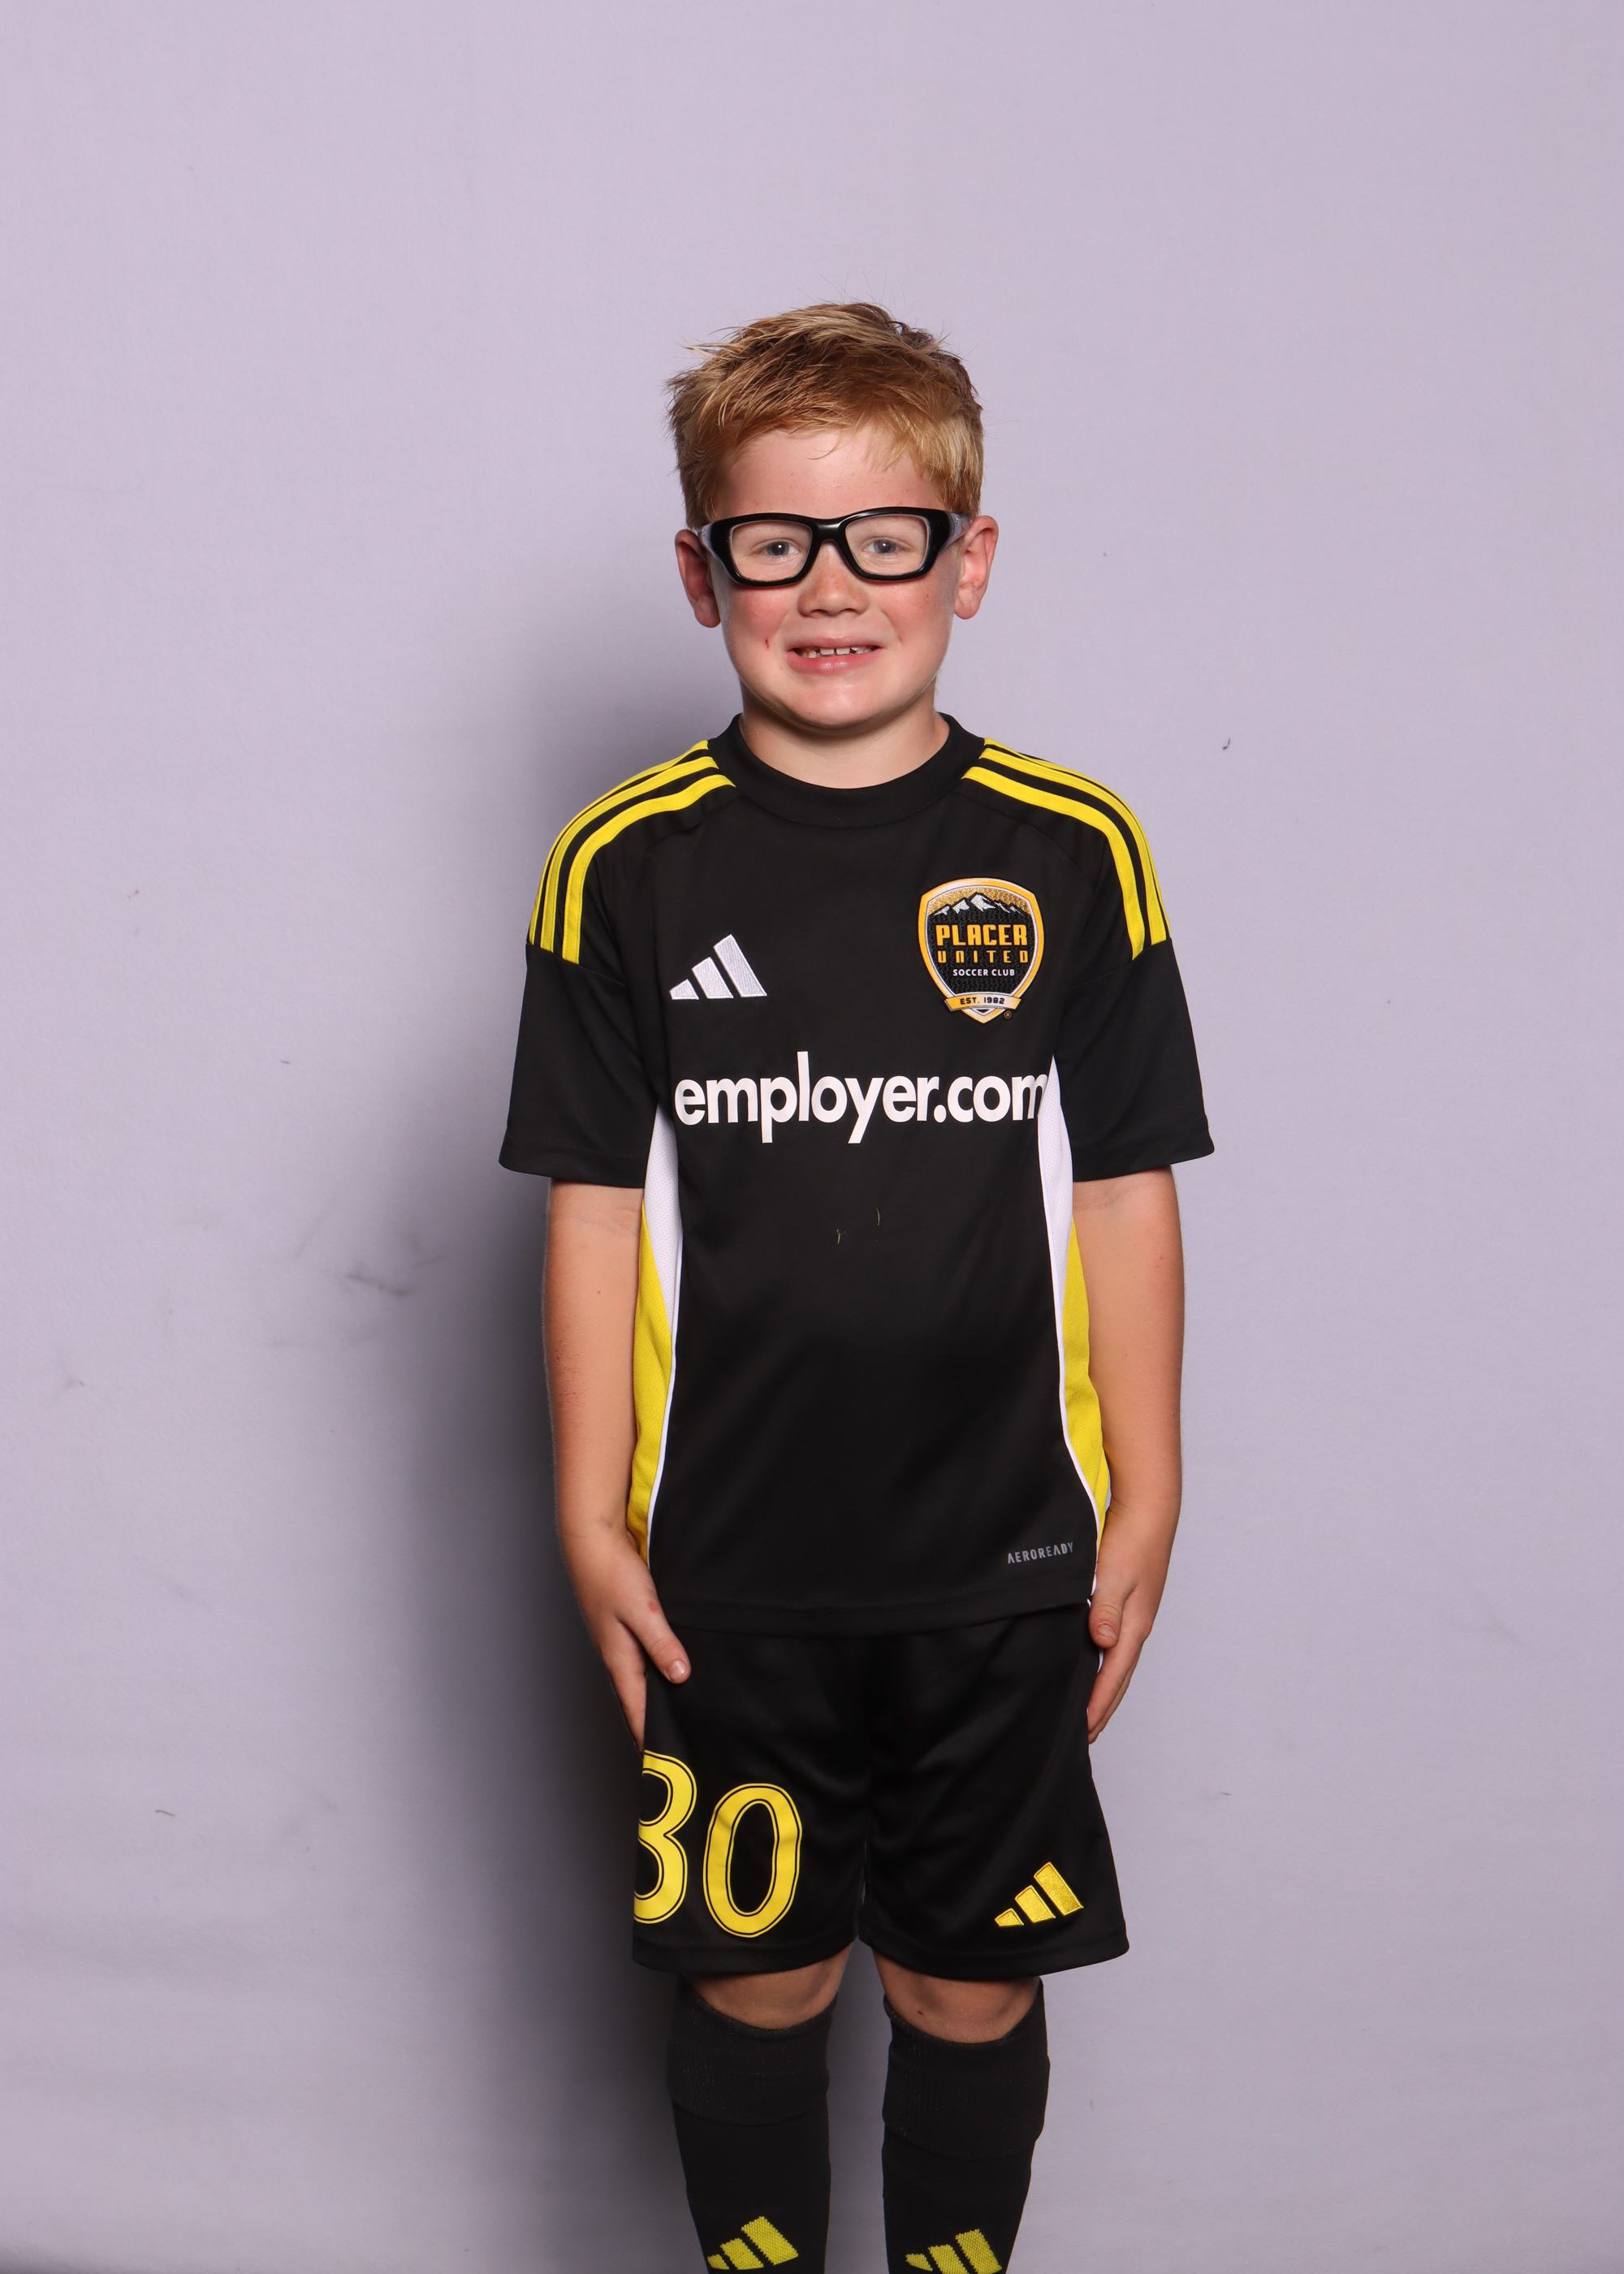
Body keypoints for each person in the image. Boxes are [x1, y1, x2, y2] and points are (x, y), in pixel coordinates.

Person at [500, 302, 1212, 2273]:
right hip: (726, 1571)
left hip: (1002, 1561)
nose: (830, 587)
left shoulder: (1072, 849)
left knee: (967, 1981)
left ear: (966, 562)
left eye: (885, 538)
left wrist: (1151, 1486)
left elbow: (1124, 1184)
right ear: (700, 571)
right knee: (758, 1977)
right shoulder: (618, 866)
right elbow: (590, 1210)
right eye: (775, 542)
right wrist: (588, 1513)